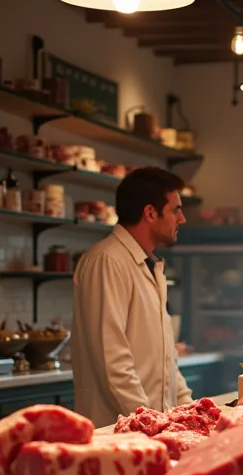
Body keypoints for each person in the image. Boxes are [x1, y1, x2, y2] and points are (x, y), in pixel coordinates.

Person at [72, 167, 193, 427]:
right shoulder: (107, 260)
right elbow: (112, 359)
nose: (181, 219)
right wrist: (149, 423)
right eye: (175, 210)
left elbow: (166, 358)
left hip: (149, 429)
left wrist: (188, 410)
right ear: (150, 213)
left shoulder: (149, 264)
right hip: (118, 432)